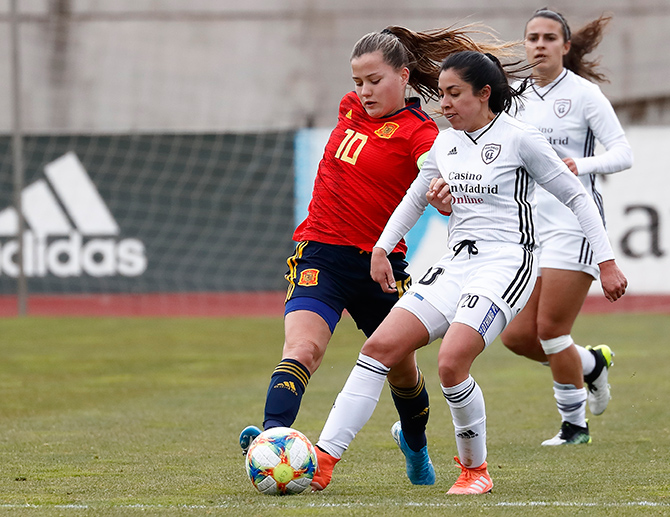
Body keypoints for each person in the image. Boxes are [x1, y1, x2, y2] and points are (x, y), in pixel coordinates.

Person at [310, 50, 628, 495]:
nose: (444, 104)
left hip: (506, 262)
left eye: (454, 94)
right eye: (441, 94)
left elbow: (576, 197)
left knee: (451, 361)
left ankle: (474, 471)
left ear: (484, 94)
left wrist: (606, 260)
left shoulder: (522, 138)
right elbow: (415, 198)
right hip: (457, 261)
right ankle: (323, 460)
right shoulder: (446, 143)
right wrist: (382, 248)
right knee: (379, 346)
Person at [238, 26, 511, 487]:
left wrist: (445, 192)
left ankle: (415, 445)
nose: (363, 91)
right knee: (302, 349)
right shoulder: (349, 108)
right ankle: (273, 440)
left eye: (375, 80)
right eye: (358, 81)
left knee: (402, 373)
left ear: (403, 77)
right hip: (319, 254)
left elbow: (445, 174)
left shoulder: (420, 133)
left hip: (379, 268)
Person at [498, 9, 634, 446]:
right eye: (532, 37)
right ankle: (592, 365)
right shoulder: (513, 96)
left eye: (549, 38)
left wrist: (581, 164)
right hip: (528, 230)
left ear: (565, 47)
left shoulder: (584, 95)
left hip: (573, 226)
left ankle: (574, 427)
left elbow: (623, 153)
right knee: (517, 337)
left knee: (551, 329)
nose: (539, 44)